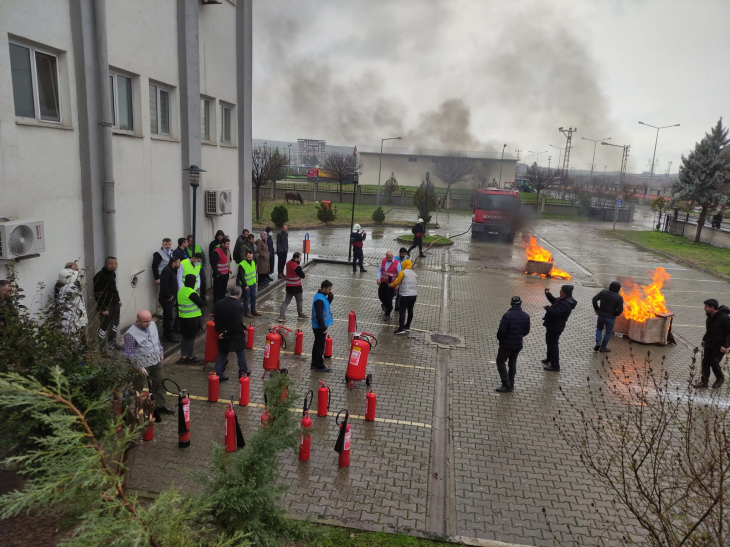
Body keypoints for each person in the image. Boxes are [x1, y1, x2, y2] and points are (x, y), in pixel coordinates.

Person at [124, 310, 173, 414]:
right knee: (137, 388)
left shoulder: (153, 325)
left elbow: (156, 340)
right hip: (141, 366)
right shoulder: (130, 334)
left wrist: (160, 351)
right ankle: (130, 410)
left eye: (149, 320)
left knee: (160, 383)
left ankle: (160, 405)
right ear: (138, 321)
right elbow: (129, 354)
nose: (148, 323)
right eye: (145, 321)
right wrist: (138, 367)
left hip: (155, 362)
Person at [213, 285, 250, 380]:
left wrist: (221, 331)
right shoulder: (238, 306)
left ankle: (218, 374)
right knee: (240, 352)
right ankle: (243, 371)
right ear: (239, 294)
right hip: (235, 334)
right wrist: (227, 332)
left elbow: (216, 318)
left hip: (223, 333)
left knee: (222, 353)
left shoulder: (219, 303)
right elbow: (236, 323)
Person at [495, 296, 531, 393]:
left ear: (511, 303)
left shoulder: (507, 315)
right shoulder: (526, 316)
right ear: (520, 303)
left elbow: (501, 332)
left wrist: (500, 338)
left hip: (506, 345)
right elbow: (526, 331)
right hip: (517, 345)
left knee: (500, 361)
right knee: (512, 363)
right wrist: (518, 336)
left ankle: (506, 384)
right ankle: (511, 383)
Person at [695, 299, 730, 389]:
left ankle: (720, 379)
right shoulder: (710, 316)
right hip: (709, 344)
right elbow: (709, 330)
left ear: (712, 307)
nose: (704, 308)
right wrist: (705, 339)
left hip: (719, 346)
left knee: (714, 362)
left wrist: (725, 346)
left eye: (706, 306)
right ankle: (704, 382)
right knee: (705, 362)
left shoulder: (724, 318)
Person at [542, 285, 577, 372]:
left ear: (565, 292)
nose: (560, 291)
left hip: (555, 327)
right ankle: (549, 358)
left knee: (553, 345)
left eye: (561, 290)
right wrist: (548, 294)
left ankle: (555, 366)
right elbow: (554, 301)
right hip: (551, 325)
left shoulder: (566, 304)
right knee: (549, 342)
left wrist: (547, 307)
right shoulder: (563, 299)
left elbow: (555, 312)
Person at [93, 257, 122, 349]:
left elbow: (113, 289)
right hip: (106, 307)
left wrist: (118, 300)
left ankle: (112, 344)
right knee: (104, 328)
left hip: (115, 304)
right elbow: (97, 294)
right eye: (115, 264)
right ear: (109, 265)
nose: (117, 266)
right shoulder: (99, 277)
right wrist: (103, 308)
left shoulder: (112, 274)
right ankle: (102, 348)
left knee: (114, 325)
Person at [177, 273, 204, 363]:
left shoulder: (180, 291)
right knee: (191, 338)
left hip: (182, 318)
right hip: (192, 319)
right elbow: (201, 304)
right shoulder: (191, 292)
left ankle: (183, 356)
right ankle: (190, 357)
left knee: (184, 337)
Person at [592, 281, 624, 353]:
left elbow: (594, 299)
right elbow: (620, 310)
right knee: (608, 332)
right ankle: (603, 348)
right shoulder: (619, 298)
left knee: (599, 329)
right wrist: (615, 314)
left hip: (601, 315)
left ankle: (598, 342)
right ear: (618, 289)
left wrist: (597, 309)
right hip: (610, 318)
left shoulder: (603, 292)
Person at [55, 266, 88, 335]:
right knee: (74, 338)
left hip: (70, 317)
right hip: (72, 318)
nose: (77, 278)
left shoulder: (63, 288)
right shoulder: (71, 288)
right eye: (75, 276)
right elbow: (78, 304)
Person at [389, 258, 417, 334]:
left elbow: (396, 282)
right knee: (410, 310)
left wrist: (391, 285)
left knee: (402, 311)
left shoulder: (402, 272)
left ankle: (401, 328)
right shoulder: (414, 273)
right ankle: (407, 326)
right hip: (414, 295)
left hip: (405, 295)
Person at [311, 280, 334, 372]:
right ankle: (320, 365)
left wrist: (330, 296)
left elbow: (327, 304)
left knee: (317, 345)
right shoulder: (319, 300)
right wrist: (323, 328)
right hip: (319, 327)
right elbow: (319, 315)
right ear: (324, 289)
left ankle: (314, 363)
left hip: (318, 326)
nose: (330, 290)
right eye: (329, 289)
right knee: (320, 347)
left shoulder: (321, 296)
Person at [279, 252, 307, 322]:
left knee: (286, 301)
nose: (300, 259)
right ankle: (300, 314)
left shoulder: (288, 263)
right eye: (300, 258)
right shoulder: (297, 267)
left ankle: (281, 316)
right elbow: (303, 275)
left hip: (289, 287)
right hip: (297, 287)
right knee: (299, 301)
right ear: (296, 258)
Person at [158, 256, 181, 342]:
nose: (180, 264)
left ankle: (167, 333)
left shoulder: (171, 270)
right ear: (173, 263)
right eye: (178, 262)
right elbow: (164, 285)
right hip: (167, 299)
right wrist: (169, 296)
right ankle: (168, 335)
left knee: (168, 316)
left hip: (170, 298)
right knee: (169, 316)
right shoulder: (167, 270)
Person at [377, 250, 401, 320]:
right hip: (383, 282)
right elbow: (379, 270)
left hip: (392, 284)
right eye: (387, 257)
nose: (388, 259)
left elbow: (400, 275)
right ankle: (387, 305)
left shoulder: (397, 263)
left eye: (389, 257)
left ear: (393, 256)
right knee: (381, 295)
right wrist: (378, 278)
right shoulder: (383, 261)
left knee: (388, 298)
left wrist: (397, 284)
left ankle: (387, 313)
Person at [152, 238, 173, 317]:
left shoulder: (172, 252)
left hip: (170, 277)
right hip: (161, 277)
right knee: (160, 294)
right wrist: (157, 278)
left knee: (169, 293)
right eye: (166, 244)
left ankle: (166, 309)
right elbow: (154, 266)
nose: (168, 246)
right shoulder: (158, 254)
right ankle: (159, 311)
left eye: (169, 244)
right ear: (162, 244)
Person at [238, 250, 261, 317]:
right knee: (247, 298)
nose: (250, 259)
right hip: (247, 285)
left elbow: (254, 273)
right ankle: (246, 311)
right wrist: (245, 285)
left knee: (254, 297)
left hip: (253, 284)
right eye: (249, 257)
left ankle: (253, 310)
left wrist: (256, 281)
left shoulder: (253, 262)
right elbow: (241, 276)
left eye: (251, 257)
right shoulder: (242, 265)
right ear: (245, 257)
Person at [186, 235, 207, 300]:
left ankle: (203, 298)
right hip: (191, 270)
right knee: (192, 284)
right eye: (191, 241)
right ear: (188, 241)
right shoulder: (186, 249)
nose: (192, 243)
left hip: (199, 269)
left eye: (193, 241)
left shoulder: (198, 247)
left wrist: (202, 267)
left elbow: (204, 258)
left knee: (203, 283)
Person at [210, 237, 231, 302]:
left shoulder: (227, 250)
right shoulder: (216, 252)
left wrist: (228, 269)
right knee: (217, 291)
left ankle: (222, 302)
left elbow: (227, 260)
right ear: (222, 244)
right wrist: (217, 273)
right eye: (227, 244)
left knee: (223, 290)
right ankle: (217, 304)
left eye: (229, 244)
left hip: (226, 273)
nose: (228, 245)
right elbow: (213, 264)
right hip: (219, 275)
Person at [394, 247, 409, 311]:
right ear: (400, 253)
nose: (403, 255)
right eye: (402, 254)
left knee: (399, 294)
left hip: (401, 279)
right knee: (393, 293)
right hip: (395, 279)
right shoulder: (395, 259)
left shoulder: (404, 260)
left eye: (404, 254)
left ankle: (397, 306)